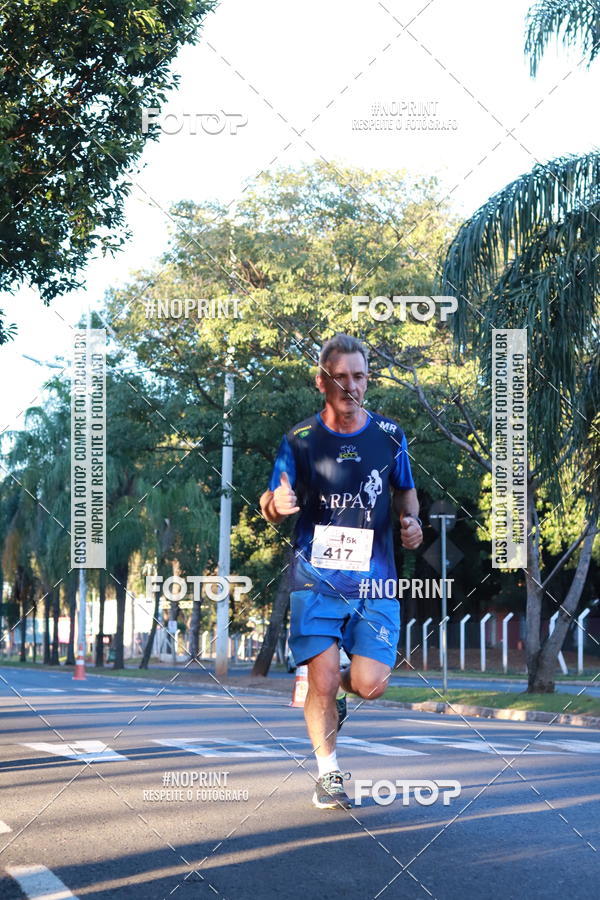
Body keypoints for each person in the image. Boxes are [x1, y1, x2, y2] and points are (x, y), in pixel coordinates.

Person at [260, 334, 423, 809]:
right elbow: (271, 500)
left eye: (359, 377)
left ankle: (339, 688)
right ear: (322, 381)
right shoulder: (300, 440)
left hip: (375, 582)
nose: (351, 386)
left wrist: (411, 523)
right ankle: (328, 774)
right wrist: (278, 504)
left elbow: (404, 494)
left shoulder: (390, 436)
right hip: (315, 580)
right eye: (340, 377)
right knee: (323, 680)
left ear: (368, 380)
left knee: (370, 684)